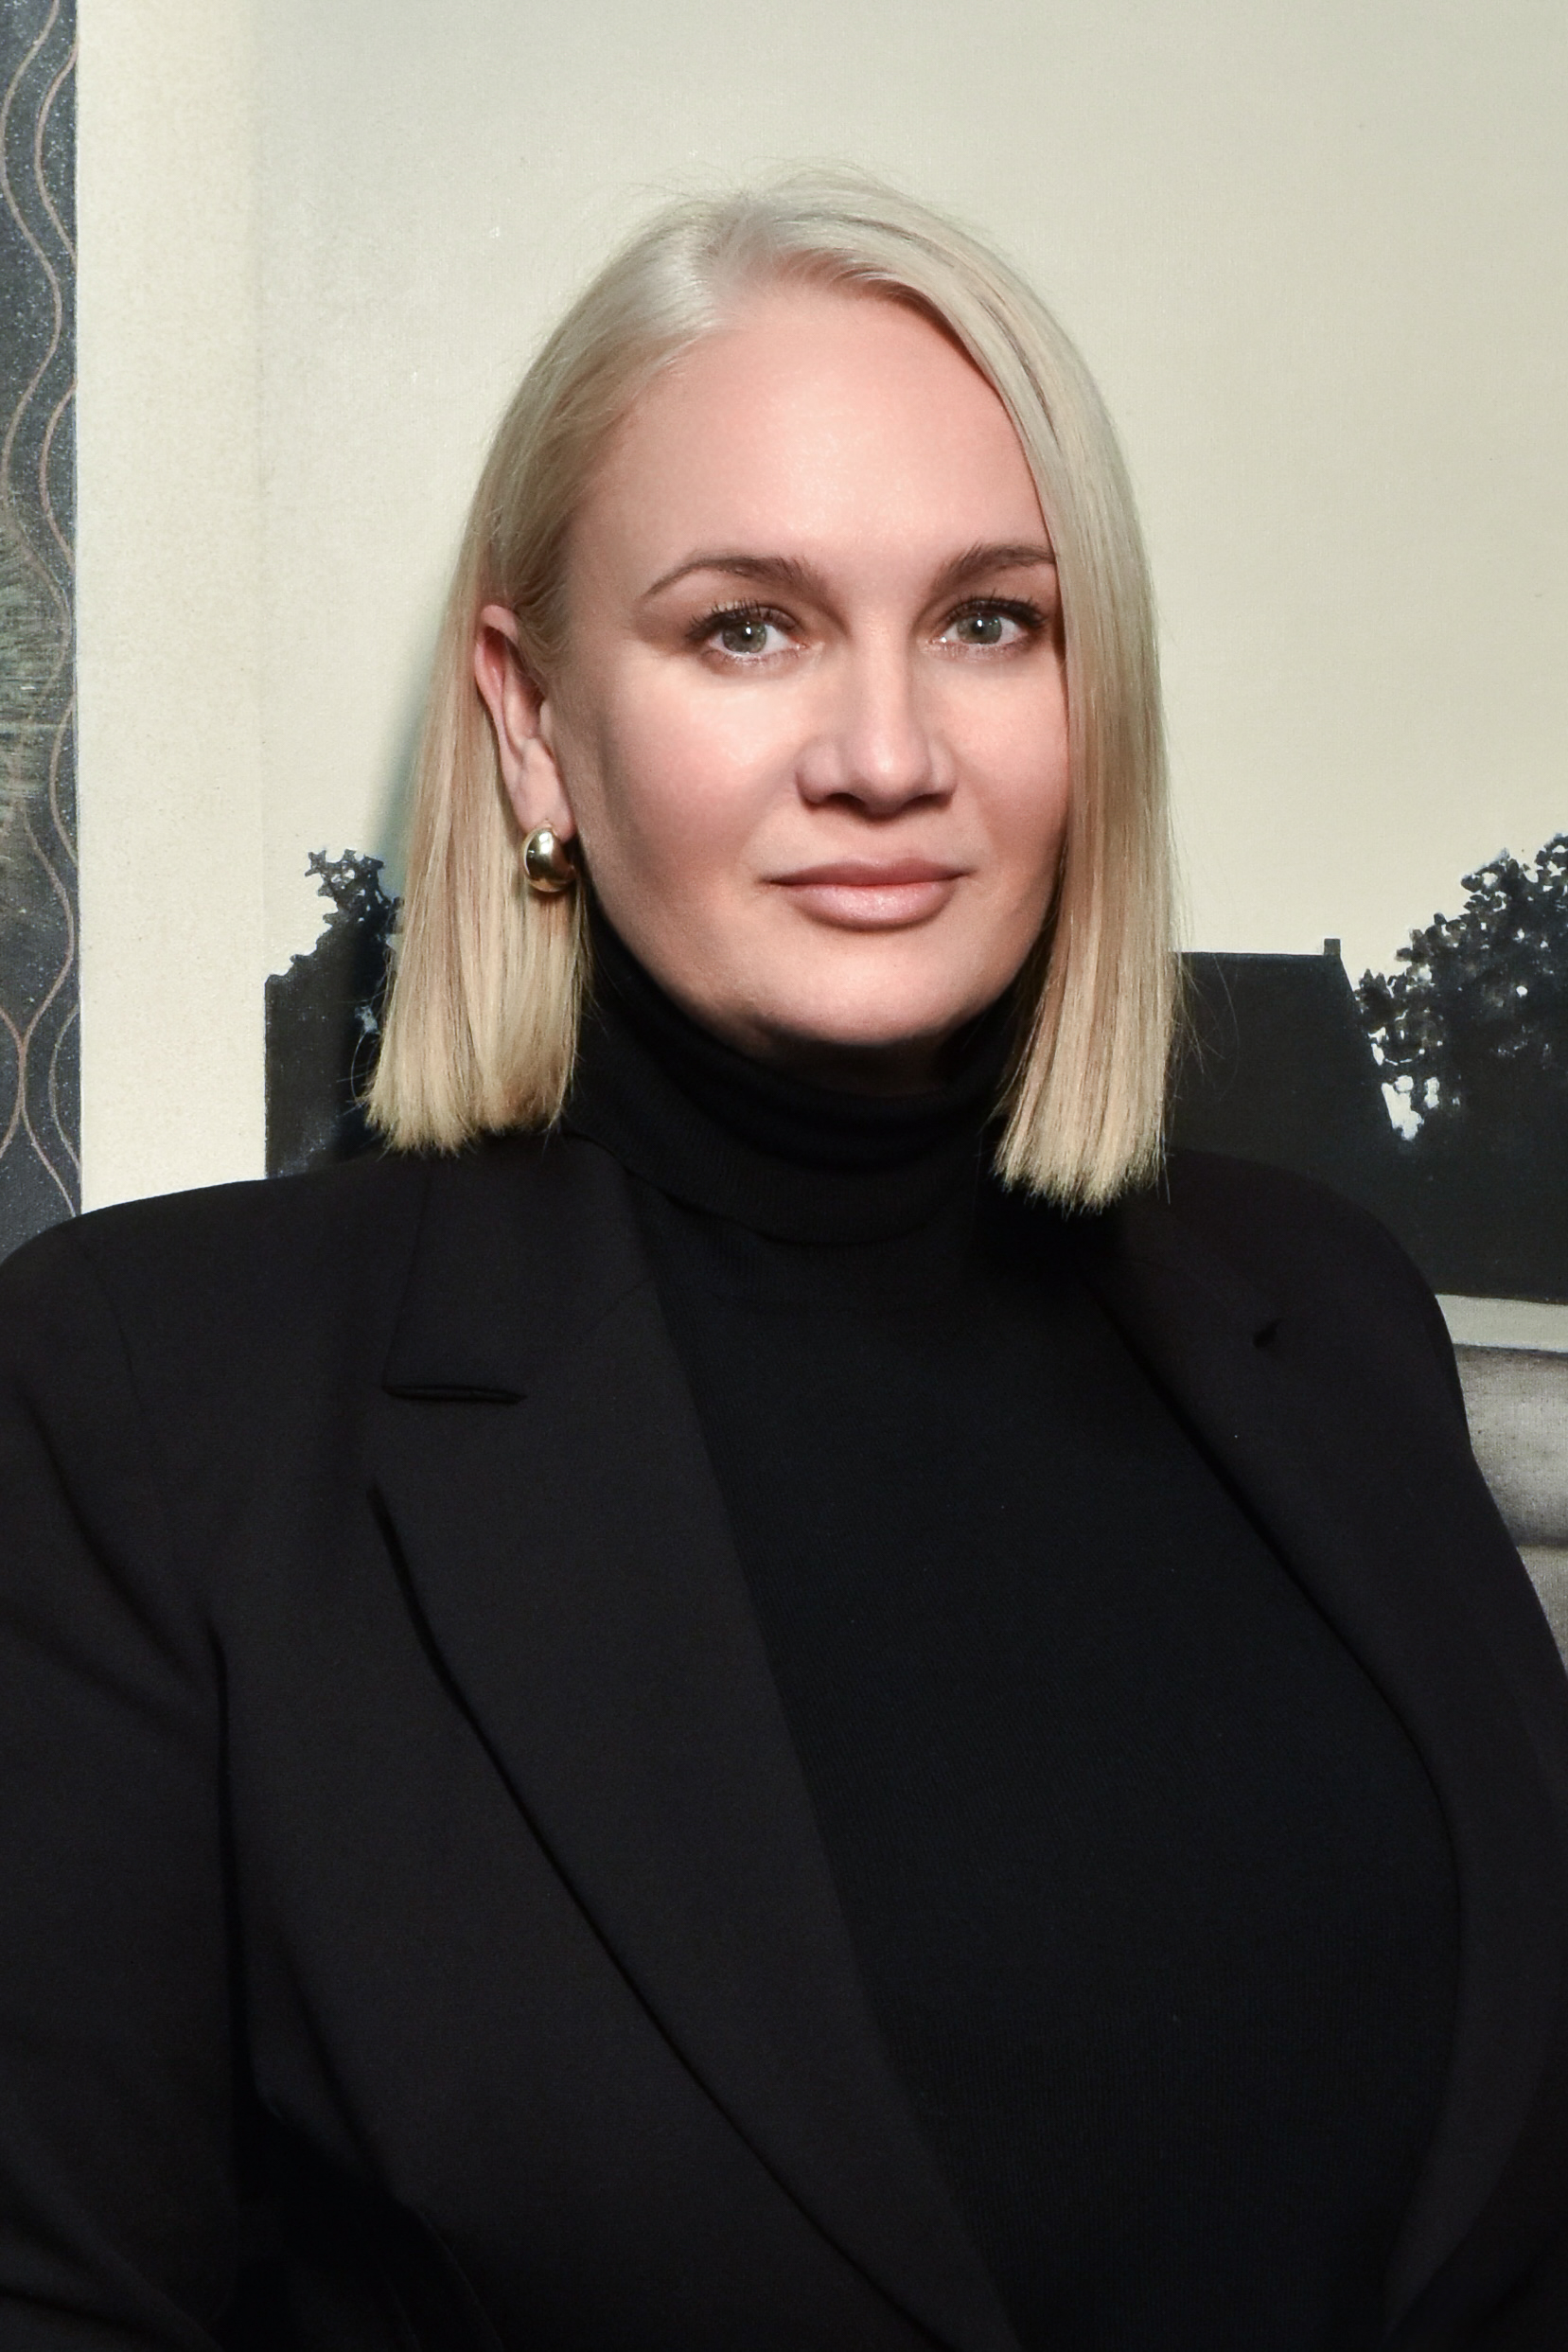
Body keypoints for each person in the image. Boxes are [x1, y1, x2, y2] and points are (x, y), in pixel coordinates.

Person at [2, 173, 1566, 2352]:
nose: (886, 757)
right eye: (747, 627)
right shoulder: (154, 1406)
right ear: (532, 719)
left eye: (989, 621)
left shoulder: (1325, 1312)